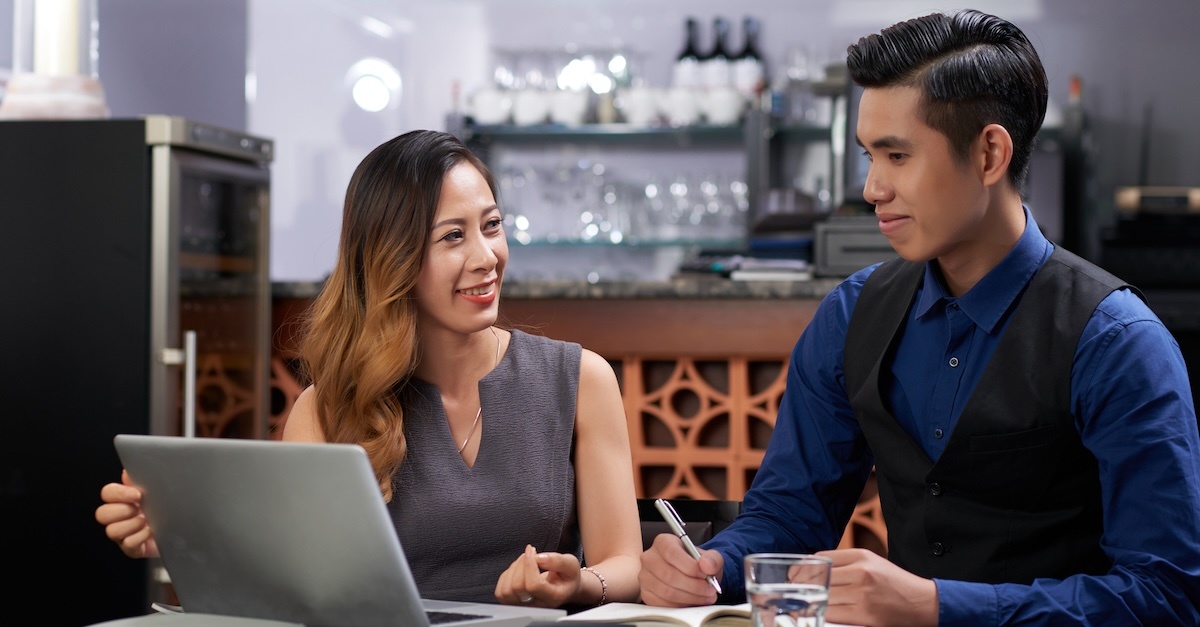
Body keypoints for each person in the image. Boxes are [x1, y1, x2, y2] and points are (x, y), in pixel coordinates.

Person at [639, 9, 1200, 626]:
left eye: (897, 155)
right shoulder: (851, 315)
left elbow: (1164, 594)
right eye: (867, 156)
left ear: (989, 153)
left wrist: (936, 606)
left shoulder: (1116, 341)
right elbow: (789, 517)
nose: (872, 187)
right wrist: (711, 568)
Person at [96, 129, 643, 609]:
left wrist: (580, 584)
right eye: (453, 236)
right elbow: (295, 579)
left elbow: (625, 562)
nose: (486, 256)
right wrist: (181, 537)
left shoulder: (581, 380)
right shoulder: (327, 408)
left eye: (492, 225)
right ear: (392, 258)